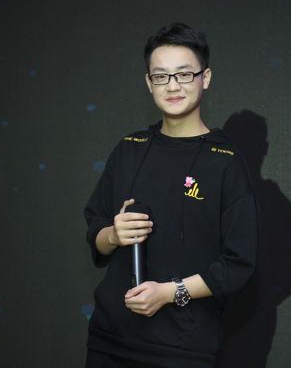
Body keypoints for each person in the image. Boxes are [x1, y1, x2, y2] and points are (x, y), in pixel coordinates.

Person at [84, 23, 258, 368]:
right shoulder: (129, 149)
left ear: (205, 78)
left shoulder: (226, 162)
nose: (173, 86)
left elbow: (239, 264)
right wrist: (113, 235)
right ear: (149, 83)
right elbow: (96, 232)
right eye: (161, 76)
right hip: (110, 338)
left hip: (182, 347)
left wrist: (169, 292)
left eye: (184, 74)